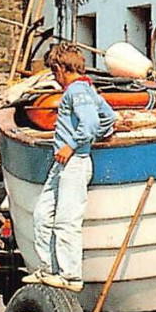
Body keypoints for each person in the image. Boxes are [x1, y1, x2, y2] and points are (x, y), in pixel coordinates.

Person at [25, 43, 116, 292]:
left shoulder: (76, 91)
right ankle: (48, 269)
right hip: (63, 164)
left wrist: (72, 145)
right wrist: (102, 134)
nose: (55, 78)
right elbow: (108, 117)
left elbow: (89, 123)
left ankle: (70, 275)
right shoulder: (88, 89)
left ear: (60, 68)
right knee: (43, 214)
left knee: (66, 220)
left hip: (73, 162)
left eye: (54, 73)